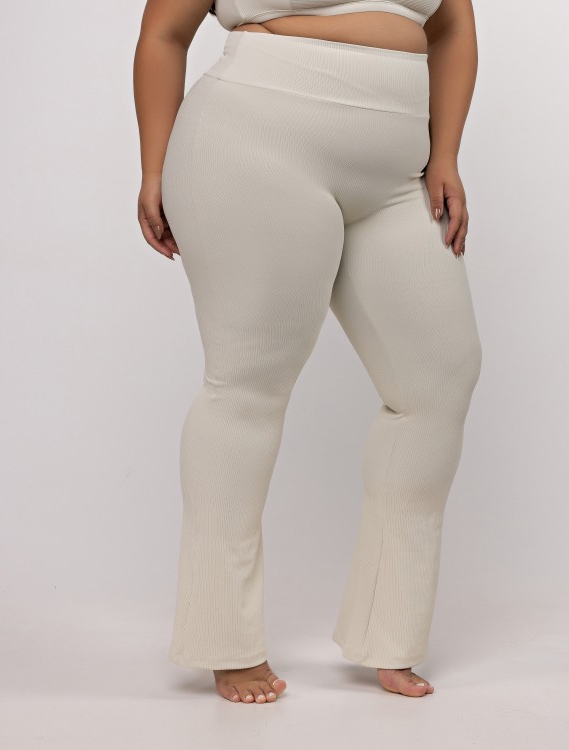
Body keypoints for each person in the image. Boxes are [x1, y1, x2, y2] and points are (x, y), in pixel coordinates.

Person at [133, 0, 481, 704]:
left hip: (398, 169)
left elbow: (451, 23)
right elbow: (165, 31)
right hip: (256, 137)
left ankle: (390, 630)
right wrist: (153, 166)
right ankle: (224, 640)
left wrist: (444, 152)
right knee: (249, 383)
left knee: (439, 378)